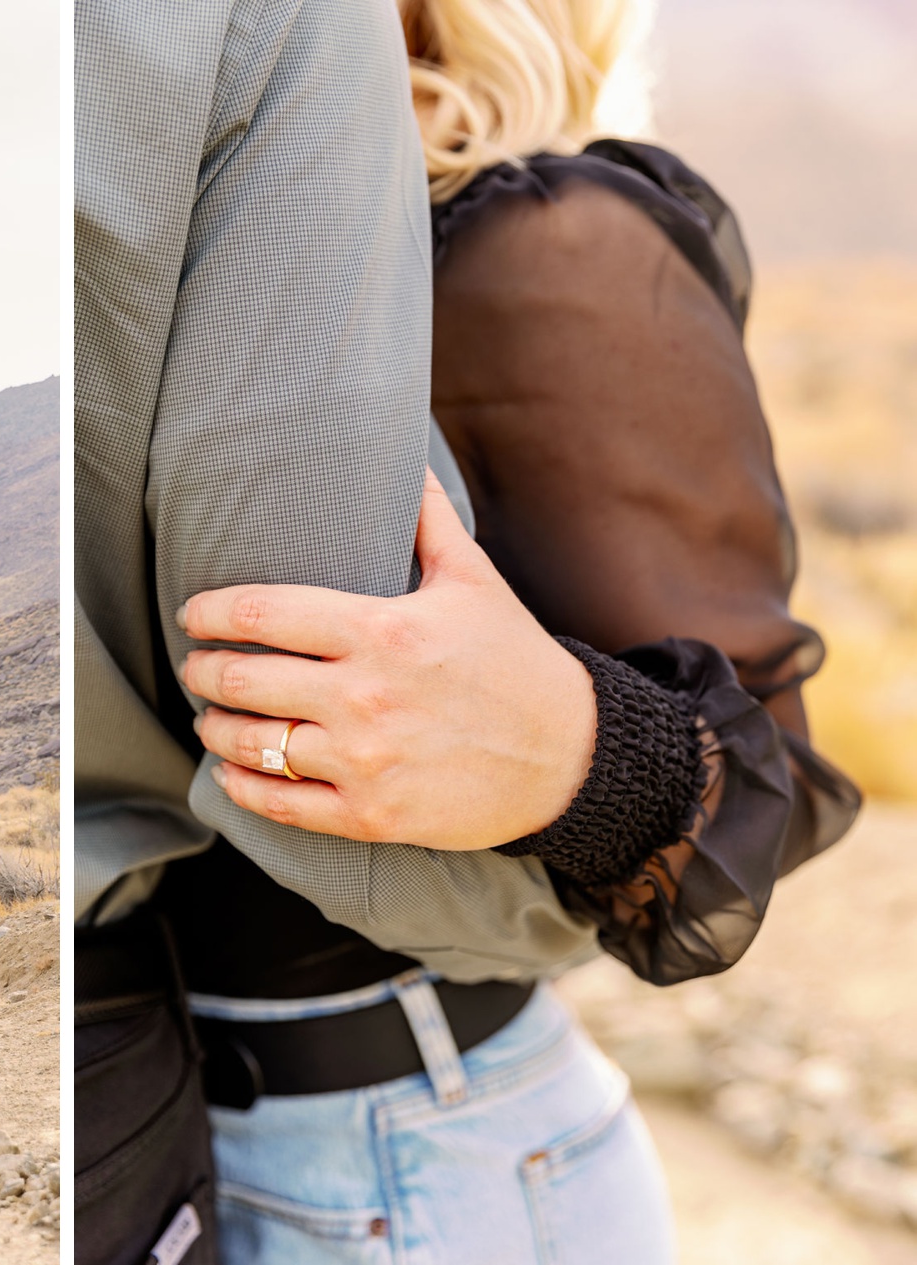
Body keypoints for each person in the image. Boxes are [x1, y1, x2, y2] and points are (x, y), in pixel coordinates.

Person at [158, 0, 862, 1261]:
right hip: (212, 1140)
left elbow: (773, 771)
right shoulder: (238, 243)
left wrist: (572, 755)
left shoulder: (546, 240)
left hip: (421, 1158)